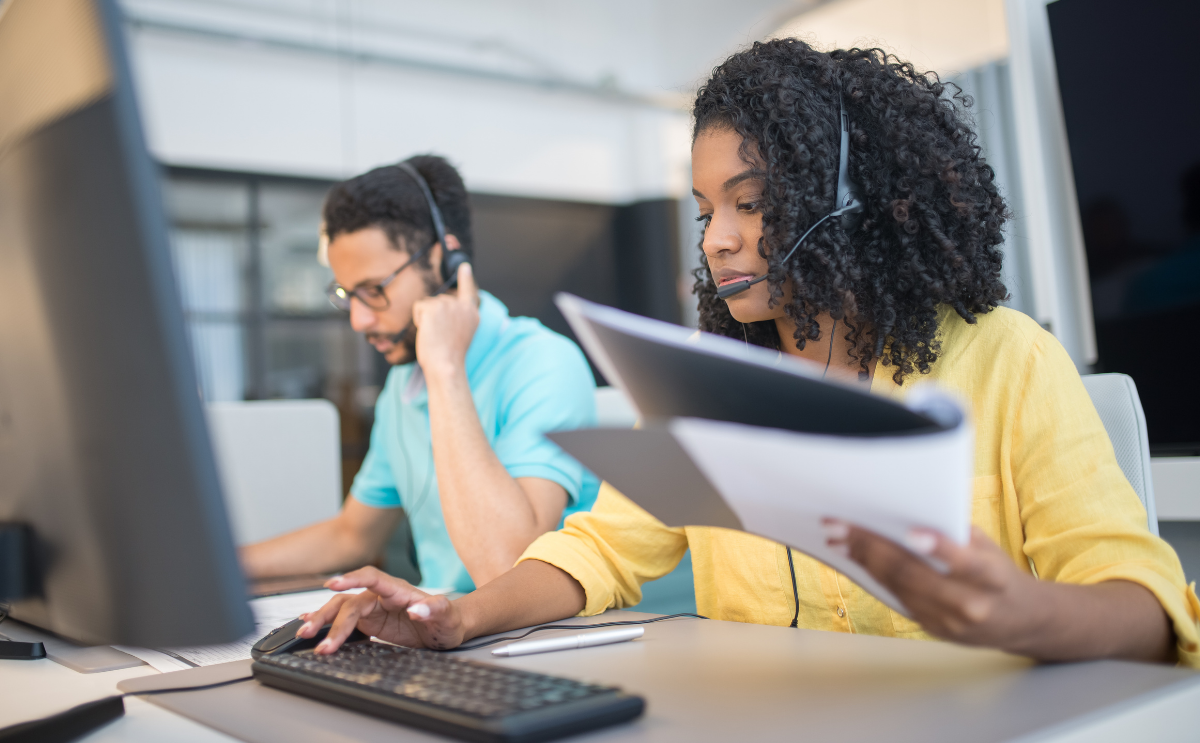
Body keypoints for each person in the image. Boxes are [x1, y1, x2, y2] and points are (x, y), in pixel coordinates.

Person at [295, 42, 1200, 666]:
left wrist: (1021, 612)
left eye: (752, 202)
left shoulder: (1008, 361)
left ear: (849, 199)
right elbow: (599, 552)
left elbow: (1150, 608)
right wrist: (454, 617)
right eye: (703, 212)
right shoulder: (708, 385)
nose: (717, 241)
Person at [241, 156, 600, 592]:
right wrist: (221, 564)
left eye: (374, 290)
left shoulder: (544, 364)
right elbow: (353, 534)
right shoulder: (403, 384)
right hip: (444, 633)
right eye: (347, 294)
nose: (358, 320)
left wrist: (445, 369)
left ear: (443, 259)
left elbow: (510, 568)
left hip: (535, 639)